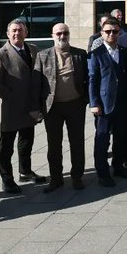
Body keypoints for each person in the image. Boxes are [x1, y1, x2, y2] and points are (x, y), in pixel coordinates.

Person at [0, 21, 47, 193]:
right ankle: (7, 179)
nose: (17, 33)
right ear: (8, 33)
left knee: (26, 141)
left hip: (31, 105)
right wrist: (10, 96)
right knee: (6, 145)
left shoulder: (33, 49)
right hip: (12, 107)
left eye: (20, 30)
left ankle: (25, 171)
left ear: (26, 32)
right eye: (13, 30)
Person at [34, 24, 88, 192]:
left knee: (77, 142)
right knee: (54, 144)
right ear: (52, 35)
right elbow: (37, 83)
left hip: (75, 104)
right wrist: (35, 108)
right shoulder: (43, 55)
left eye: (65, 33)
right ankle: (56, 178)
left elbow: (88, 77)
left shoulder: (80, 54)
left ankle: (77, 177)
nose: (62, 36)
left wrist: (86, 100)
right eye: (59, 33)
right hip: (53, 107)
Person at [89, 18, 127, 186]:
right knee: (102, 139)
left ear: (120, 32)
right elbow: (92, 80)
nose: (111, 34)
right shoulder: (95, 54)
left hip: (123, 103)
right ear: (101, 33)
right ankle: (102, 173)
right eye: (108, 31)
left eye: (115, 31)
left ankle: (118, 166)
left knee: (121, 137)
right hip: (104, 104)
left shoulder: (125, 51)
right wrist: (94, 103)